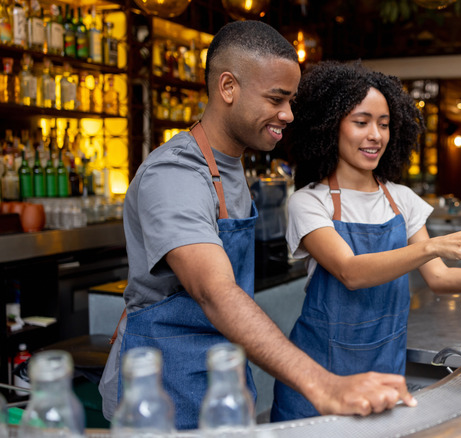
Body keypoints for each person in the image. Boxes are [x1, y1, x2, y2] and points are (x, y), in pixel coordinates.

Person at [98, 21, 415, 430]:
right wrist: (322, 384)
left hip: (221, 374)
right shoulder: (175, 173)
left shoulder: (230, 168)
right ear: (228, 88)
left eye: (291, 100)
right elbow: (214, 292)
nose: (288, 114)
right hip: (160, 387)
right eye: (277, 99)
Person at [271, 61, 461, 421]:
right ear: (330, 127)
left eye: (385, 124)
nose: (375, 135)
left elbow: (440, 278)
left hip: (386, 372)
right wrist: (433, 246)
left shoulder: (401, 199)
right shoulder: (309, 202)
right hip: (320, 378)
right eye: (361, 122)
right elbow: (350, 272)